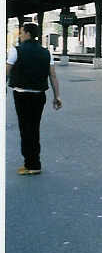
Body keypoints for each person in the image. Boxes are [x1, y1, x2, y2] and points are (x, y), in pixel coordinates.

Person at [6, 22, 62, 175]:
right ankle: (34, 162)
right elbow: (53, 75)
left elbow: (6, 72)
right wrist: (57, 96)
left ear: (28, 34)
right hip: (39, 96)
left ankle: (30, 164)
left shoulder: (15, 51)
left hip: (22, 95)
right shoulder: (46, 52)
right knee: (34, 128)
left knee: (25, 129)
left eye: (22, 32)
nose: (20, 35)